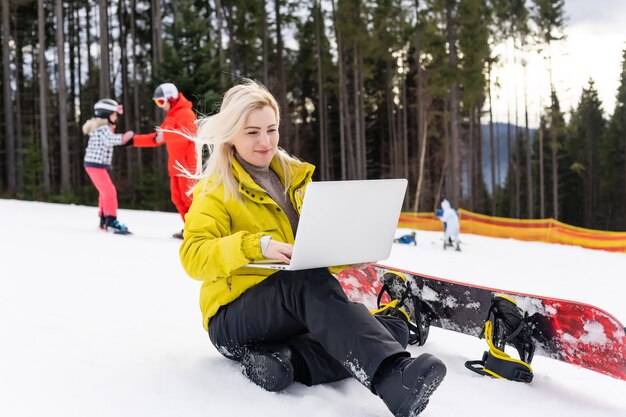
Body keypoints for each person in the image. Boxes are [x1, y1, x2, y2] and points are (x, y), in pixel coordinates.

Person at [179, 80, 446, 417]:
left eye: (271, 129)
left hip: (290, 313)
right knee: (310, 286)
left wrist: (346, 251)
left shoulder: (294, 178)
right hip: (233, 321)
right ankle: (391, 377)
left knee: (389, 327)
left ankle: (288, 362)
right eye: (252, 132)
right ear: (231, 134)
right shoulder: (216, 189)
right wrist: (255, 245)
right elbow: (193, 257)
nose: (265, 141)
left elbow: (310, 252)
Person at [131, 83, 197, 239]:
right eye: (157, 102)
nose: (160, 106)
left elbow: (189, 135)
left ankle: (196, 231)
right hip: (175, 166)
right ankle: (189, 229)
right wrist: (133, 140)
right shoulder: (171, 116)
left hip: (187, 167)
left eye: (161, 102)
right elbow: (156, 138)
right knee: (177, 199)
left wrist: (166, 135)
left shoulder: (186, 113)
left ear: (171, 98)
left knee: (189, 201)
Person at [83, 98, 134, 234]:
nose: (116, 117)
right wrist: (125, 137)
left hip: (95, 165)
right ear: (107, 114)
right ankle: (111, 221)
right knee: (110, 192)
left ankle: (104, 219)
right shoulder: (103, 128)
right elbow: (110, 140)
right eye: (114, 114)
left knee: (104, 192)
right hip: (95, 165)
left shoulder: (102, 127)